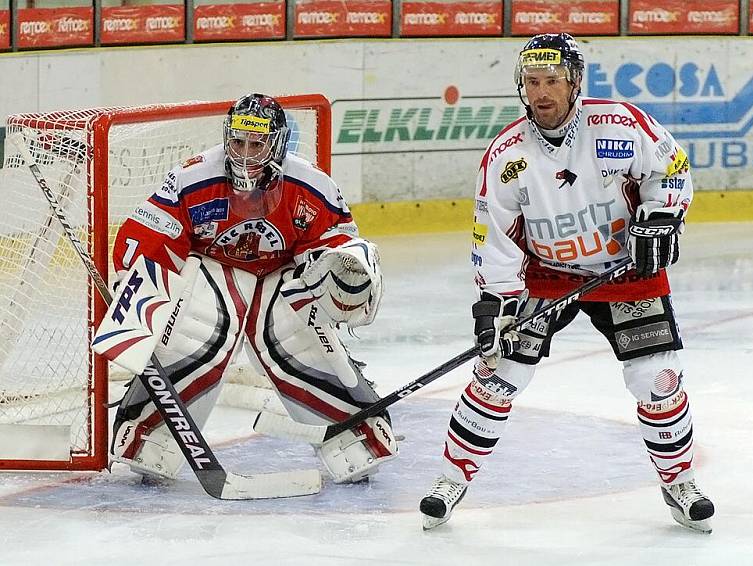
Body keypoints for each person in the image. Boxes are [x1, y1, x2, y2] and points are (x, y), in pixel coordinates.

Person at [419, 34, 714, 533]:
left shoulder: (621, 123)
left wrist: (662, 215)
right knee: (496, 376)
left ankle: (679, 483)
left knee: (657, 381)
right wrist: (495, 303)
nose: (542, 93)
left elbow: (671, 170)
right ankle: (450, 480)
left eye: (552, 81)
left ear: (575, 81)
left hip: (625, 272)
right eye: (533, 82)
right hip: (546, 275)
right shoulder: (507, 154)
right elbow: (492, 233)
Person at [107, 93, 397, 485]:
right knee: (195, 333)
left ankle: (355, 439)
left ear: (276, 143)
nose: (244, 153)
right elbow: (152, 236)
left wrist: (342, 271)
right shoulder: (194, 176)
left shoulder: (311, 185)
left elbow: (333, 244)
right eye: (238, 141)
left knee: (298, 339)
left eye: (256, 144)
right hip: (215, 268)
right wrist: (138, 288)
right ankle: (149, 438)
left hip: (280, 272)